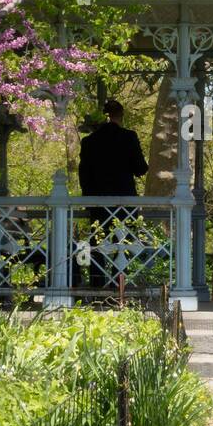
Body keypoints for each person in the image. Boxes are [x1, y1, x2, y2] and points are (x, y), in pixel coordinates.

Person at [77, 99, 149, 286]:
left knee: (97, 244)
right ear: (120, 116)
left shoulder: (89, 141)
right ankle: (119, 285)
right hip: (124, 201)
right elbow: (141, 168)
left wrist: (88, 197)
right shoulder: (129, 137)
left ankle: (96, 284)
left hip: (98, 202)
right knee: (122, 242)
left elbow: (83, 174)